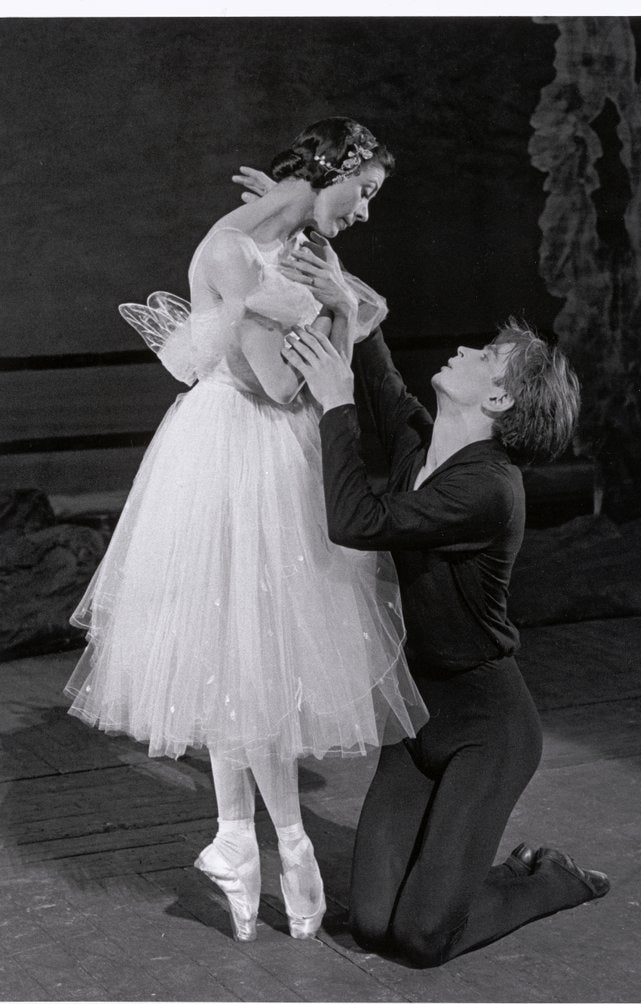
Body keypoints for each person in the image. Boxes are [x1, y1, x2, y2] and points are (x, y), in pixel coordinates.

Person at [64, 118, 427, 944]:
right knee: (244, 640)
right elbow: (272, 384)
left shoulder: (279, 237)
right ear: (333, 170)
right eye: (363, 191)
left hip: (268, 450)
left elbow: (343, 303)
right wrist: (336, 319)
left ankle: (240, 840)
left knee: (246, 648)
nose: (367, 211)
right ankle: (284, 844)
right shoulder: (234, 251)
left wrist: (316, 267)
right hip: (241, 450)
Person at [280, 295, 610, 968]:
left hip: (487, 730)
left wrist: (334, 403)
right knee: (373, 926)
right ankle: (459, 881)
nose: (464, 351)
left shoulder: (488, 488)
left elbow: (357, 521)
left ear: (498, 403)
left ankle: (550, 879)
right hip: (418, 722)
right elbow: (390, 395)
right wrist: (362, 322)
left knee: (422, 939)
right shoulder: (426, 455)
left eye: (485, 358)